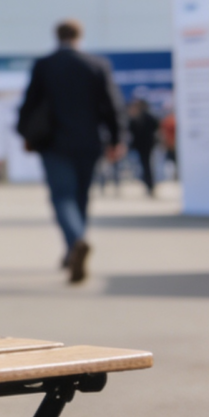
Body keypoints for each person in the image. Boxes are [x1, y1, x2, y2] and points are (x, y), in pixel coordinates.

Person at [18, 20, 125, 284]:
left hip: (53, 143)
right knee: (81, 197)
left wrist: (25, 134)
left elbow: (30, 103)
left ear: (57, 36)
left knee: (62, 197)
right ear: (80, 35)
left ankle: (75, 242)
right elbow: (112, 105)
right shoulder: (97, 65)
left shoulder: (45, 65)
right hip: (89, 143)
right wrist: (117, 139)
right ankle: (74, 247)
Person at [126, 98, 160, 197]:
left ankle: (149, 185)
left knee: (146, 166)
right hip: (142, 146)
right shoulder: (136, 118)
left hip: (146, 145)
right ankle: (148, 184)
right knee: (145, 166)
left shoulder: (146, 117)